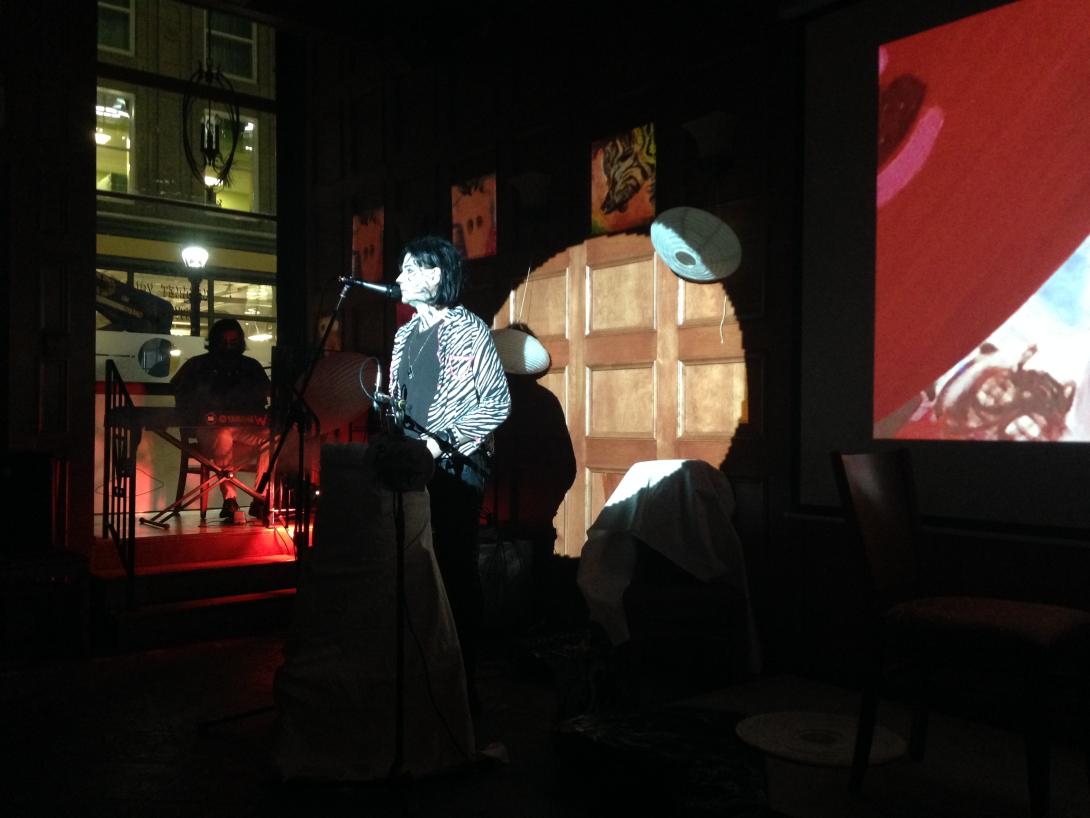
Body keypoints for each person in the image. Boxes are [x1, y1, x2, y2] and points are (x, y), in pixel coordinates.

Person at [390, 235, 511, 708]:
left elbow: (496, 402)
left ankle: (463, 679)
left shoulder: (471, 330)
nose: (398, 278)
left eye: (408, 269)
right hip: (410, 467)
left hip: (457, 468)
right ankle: (423, 670)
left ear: (434, 276)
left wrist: (442, 441)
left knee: (454, 569)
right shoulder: (404, 335)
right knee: (413, 565)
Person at [171, 318, 271, 521]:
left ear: (240, 343)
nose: (228, 347)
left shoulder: (250, 366)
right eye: (223, 341)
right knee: (221, 434)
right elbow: (179, 393)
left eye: (233, 342)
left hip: (245, 428)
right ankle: (230, 499)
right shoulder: (198, 365)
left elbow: (265, 396)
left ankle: (260, 497)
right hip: (210, 428)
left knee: (273, 437)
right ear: (214, 342)